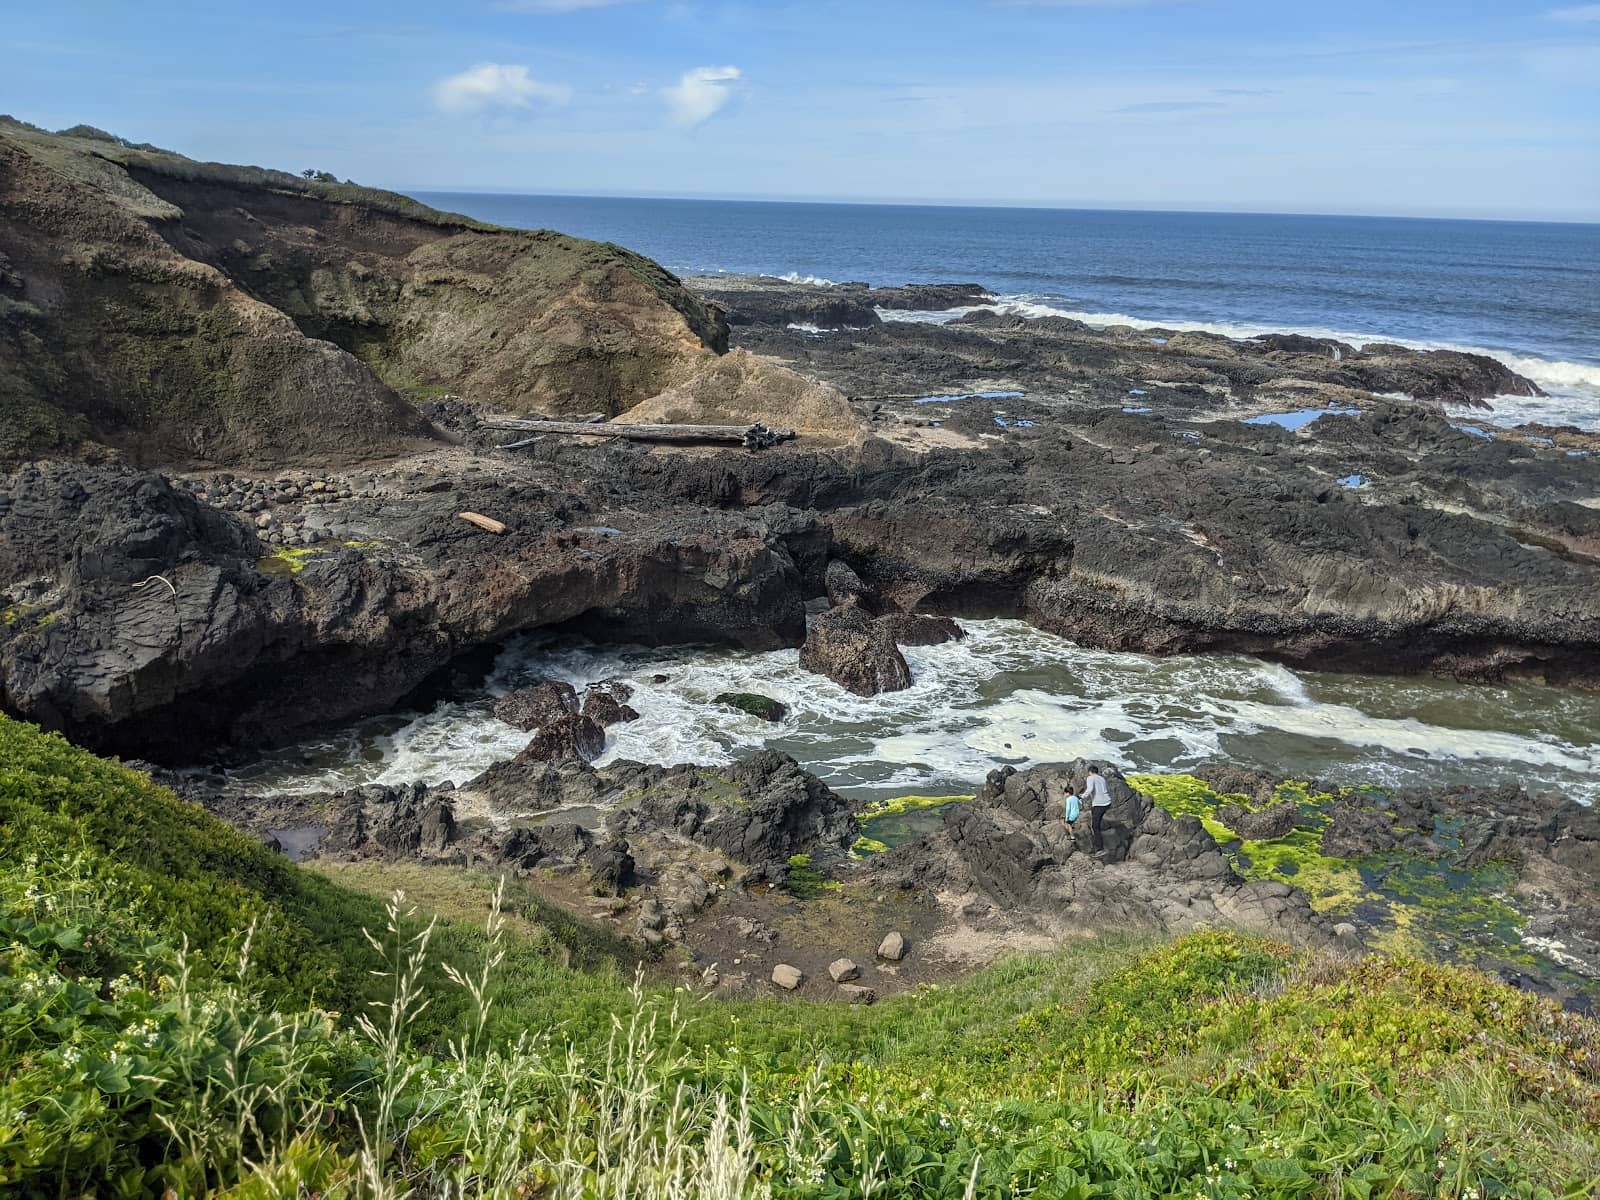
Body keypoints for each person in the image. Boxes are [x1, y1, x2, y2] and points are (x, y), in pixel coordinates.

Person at [1080, 765, 1112, 854]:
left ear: (1090, 772)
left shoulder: (1090, 778)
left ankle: (1100, 849)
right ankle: (1098, 843)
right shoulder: (1102, 778)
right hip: (1107, 802)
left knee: (1095, 826)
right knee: (1097, 822)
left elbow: (1090, 789)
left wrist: (1081, 796)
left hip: (1099, 804)